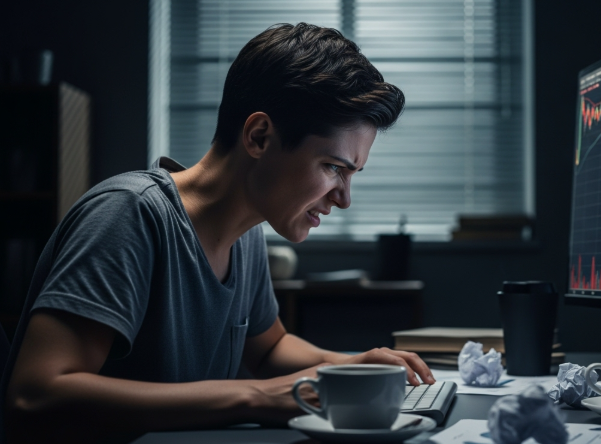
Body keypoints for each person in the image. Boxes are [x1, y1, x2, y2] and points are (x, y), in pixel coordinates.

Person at [1, 23, 433, 444]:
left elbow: (268, 349)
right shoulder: (130, 214)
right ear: (260, 136)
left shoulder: (246, 233)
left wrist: (351, 366)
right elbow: (36, 395)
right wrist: (254, 397)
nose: (343, 199)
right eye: (333, 167)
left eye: (351, 174)